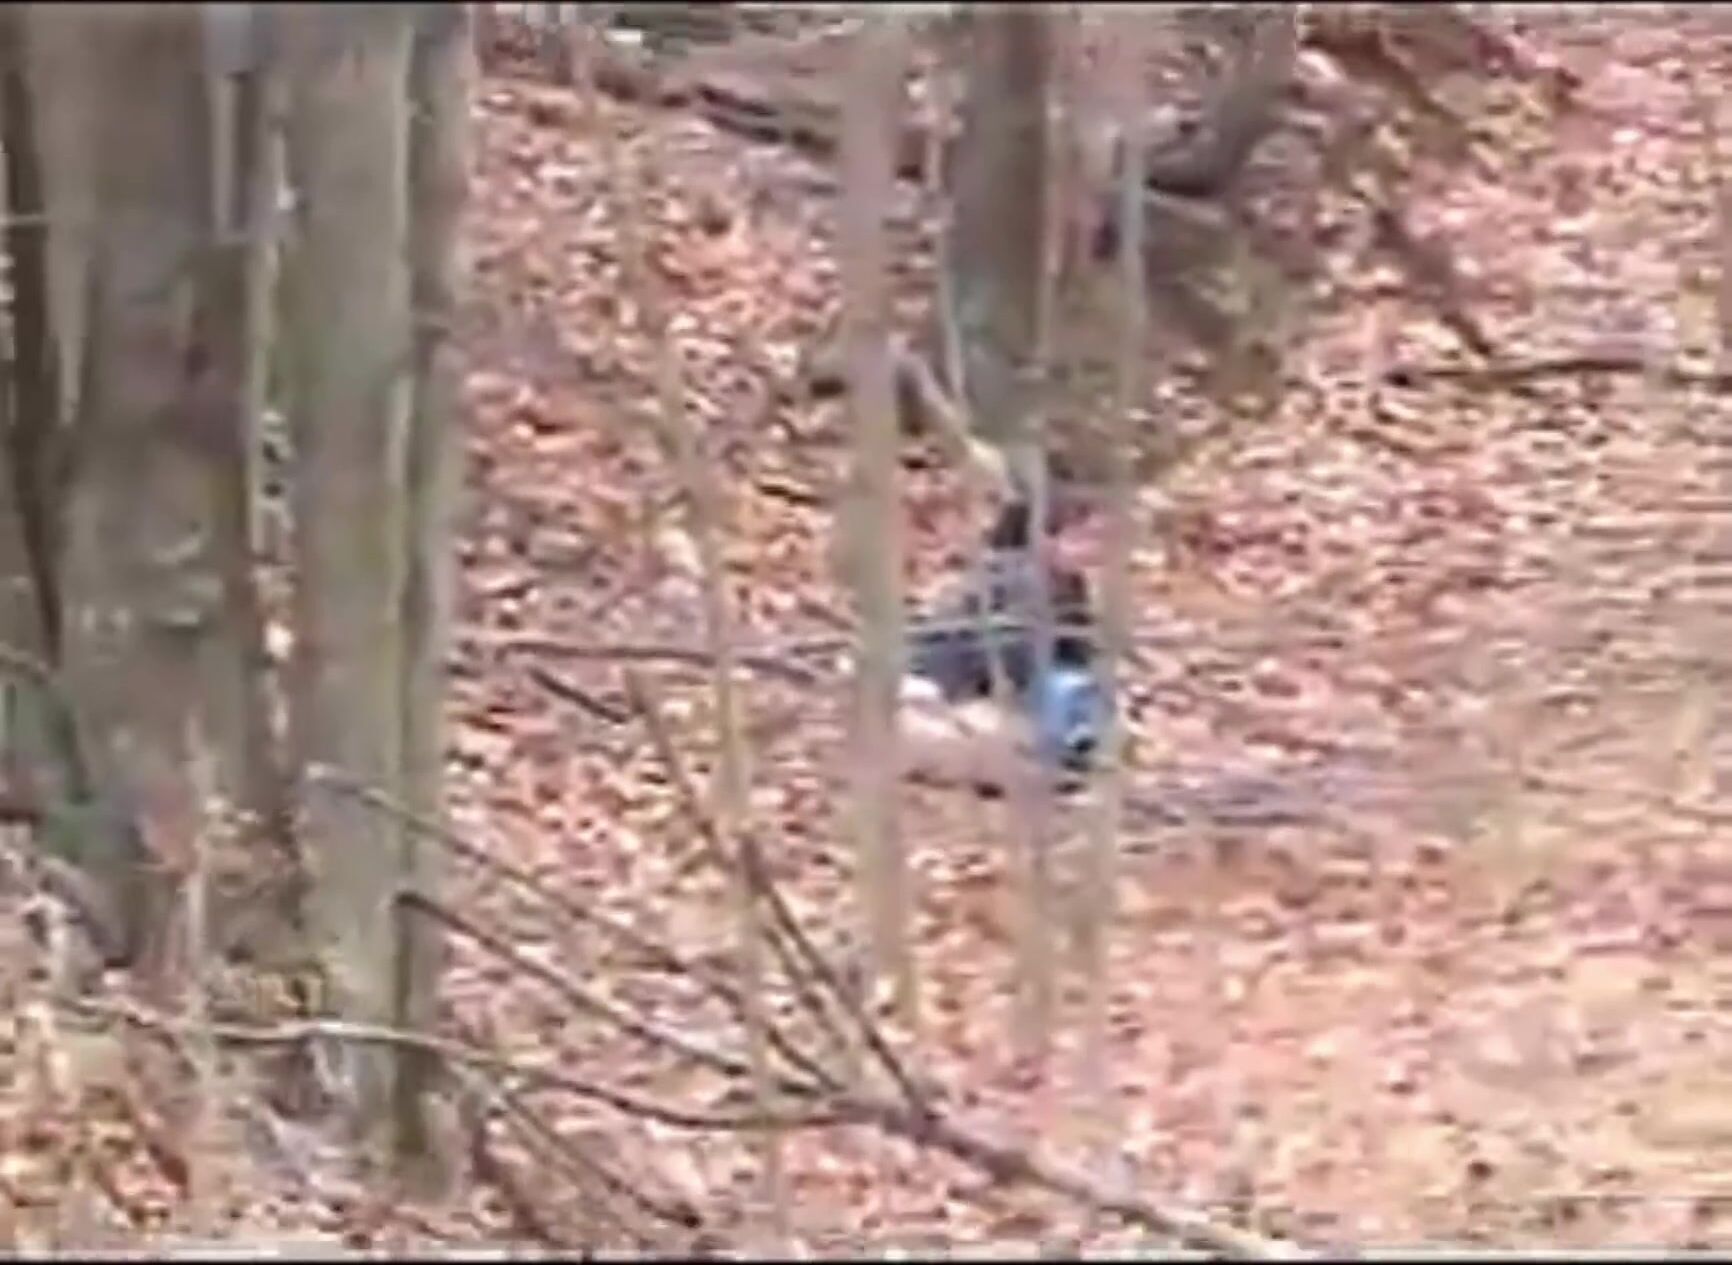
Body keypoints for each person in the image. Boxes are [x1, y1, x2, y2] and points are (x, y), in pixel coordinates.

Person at [899, 491, 1114, 793]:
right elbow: (1005, 656)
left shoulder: (1069, 584)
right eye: (1083, 539)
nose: (1095, 550)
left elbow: (1077, 649)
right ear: (1044, 539)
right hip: (949, 691)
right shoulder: (1015, 579)